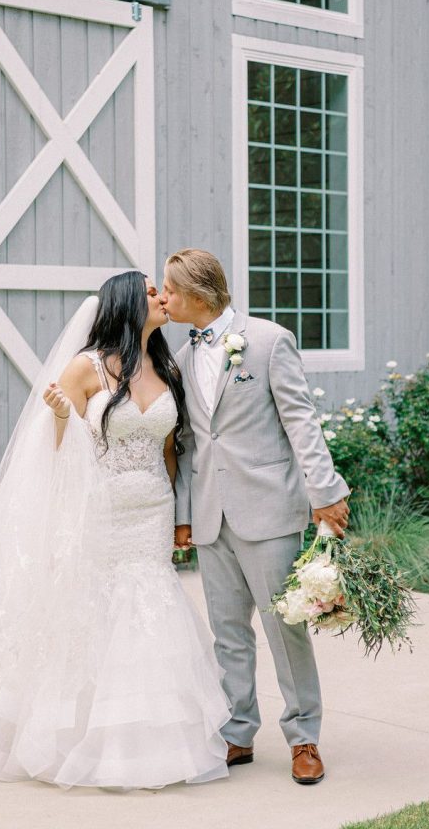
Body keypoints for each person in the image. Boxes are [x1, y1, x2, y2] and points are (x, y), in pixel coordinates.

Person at [0, 271, 230, 790]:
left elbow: (170, 449)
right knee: (97, 606)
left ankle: (149, 730)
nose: (162, 298)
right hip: (100, 510)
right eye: (153, 292)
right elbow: (52, 454)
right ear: (128, 304)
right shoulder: (84, 368)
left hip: (151, 511)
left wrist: (179, 517)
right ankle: (80, 732)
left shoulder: (165, 364)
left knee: (149, 604)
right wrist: (63, 417)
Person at [161, 249, 351, 785]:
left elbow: (302, 423)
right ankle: (237, 732)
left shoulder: (267, 341)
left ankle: (304, 736)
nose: (164, 299)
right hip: (209, 515)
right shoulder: (178, 355)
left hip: (267, 509)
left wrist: (325, 492)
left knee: (283, 629)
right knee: (227, 633)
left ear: (197, 294)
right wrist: (183, 515)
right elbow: (188, 442)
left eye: (170, 291)